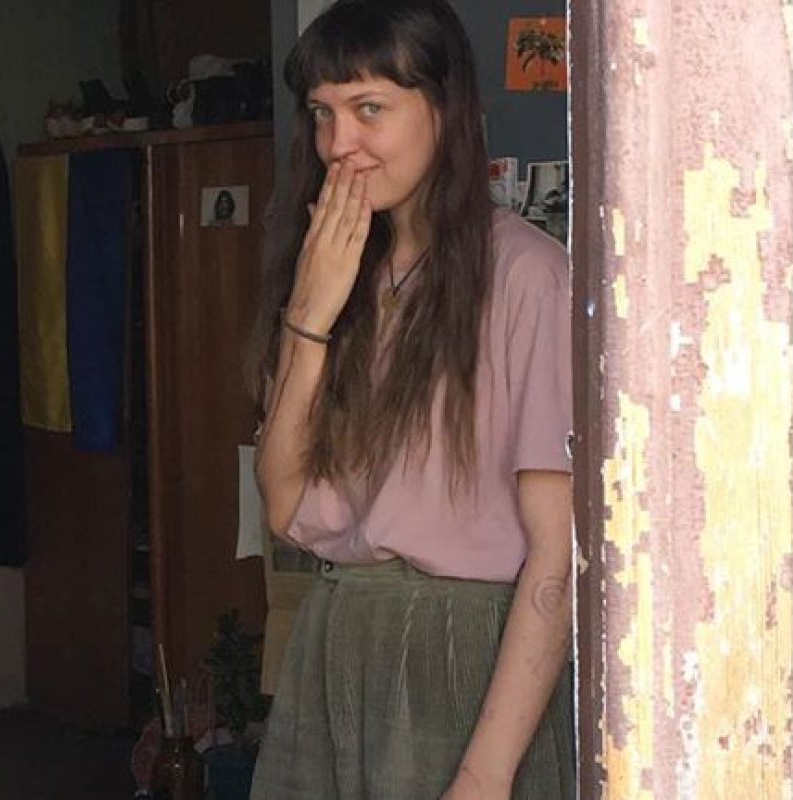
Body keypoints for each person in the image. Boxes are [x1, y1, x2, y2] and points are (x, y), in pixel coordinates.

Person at [248, 1, 575, 798]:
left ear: (444, 107)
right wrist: (310, 315)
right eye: (322, 114)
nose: (339, 145)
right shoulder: (334, 274)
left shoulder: (528, 276)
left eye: (369, 109)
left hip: (465, 663)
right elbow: (284, 507)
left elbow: (558, 554)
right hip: (334, 644)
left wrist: (485, 774)